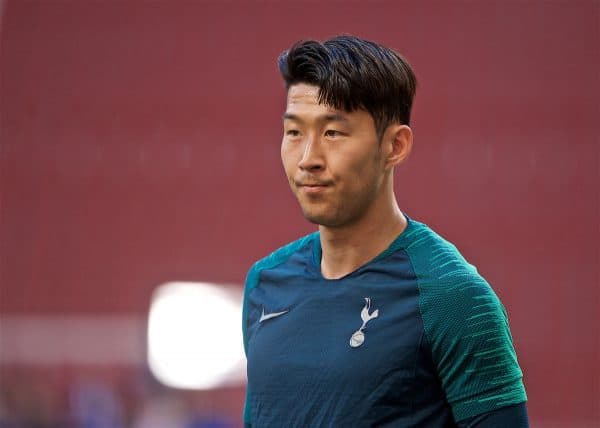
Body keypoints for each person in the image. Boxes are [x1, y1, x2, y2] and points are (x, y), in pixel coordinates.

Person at [242, 35, 528, 427]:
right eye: (294, 133)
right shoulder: (264, 284)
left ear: (395, 145)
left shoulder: (453, 298)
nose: (307, 159)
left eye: (333, 133)